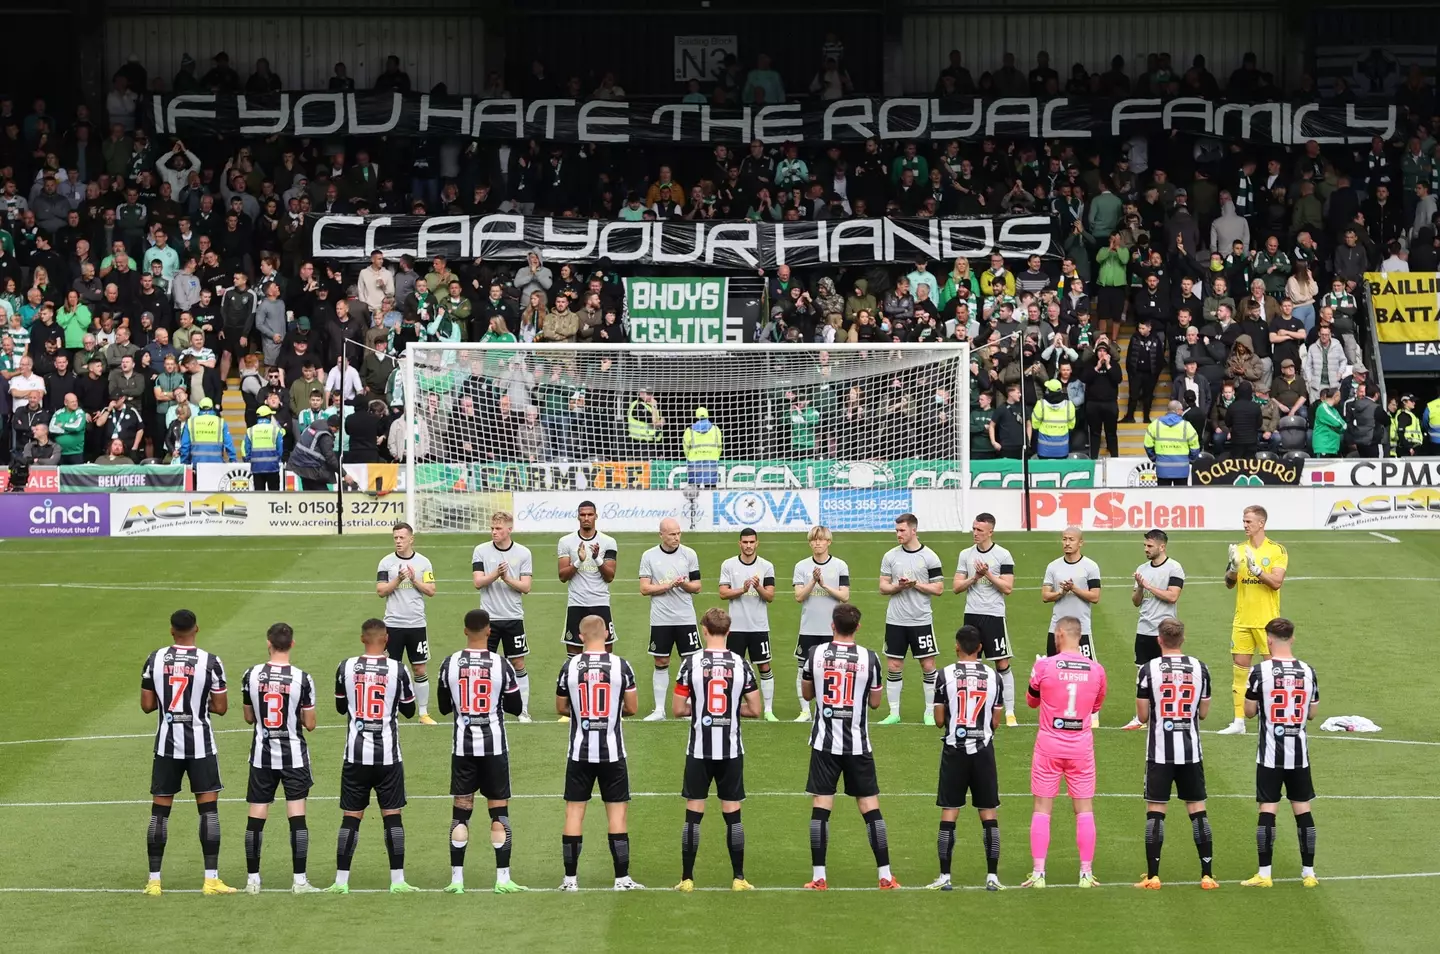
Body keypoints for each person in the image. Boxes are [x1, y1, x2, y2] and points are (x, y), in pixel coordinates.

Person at [801, 604, 896, 890]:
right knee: (870, 808)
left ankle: (819, 877)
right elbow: (876, 703)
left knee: (821, 807)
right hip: (857, 744)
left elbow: (807, 693)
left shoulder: (815, 654)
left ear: (832, 625)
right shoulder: (870, 658)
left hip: (824, 743)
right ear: (857, 628)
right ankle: (885, 875)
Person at [436, 608, 527, 895]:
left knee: (461, 814)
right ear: (489, 631)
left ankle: (457, 880)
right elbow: (514, 707)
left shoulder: (449, 663)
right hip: (494, 748)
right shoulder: (501, 665)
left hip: (462, 748)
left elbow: (441, 706)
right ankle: (502, 879)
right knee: (498, 813)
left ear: (465, 630)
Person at [672, 607, 762, 892]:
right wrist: (733, 711)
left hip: (699, 750)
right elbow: (756, 709)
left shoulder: (690, 663)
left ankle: (687, 879)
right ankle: (738, 878)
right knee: (733, 814)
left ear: (704, 630)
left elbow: (676, 709)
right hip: (731, 750)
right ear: (729, 632)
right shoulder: (741, 663)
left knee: (693, 814)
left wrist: (700, 710)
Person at [327, 618, 417, 894]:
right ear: (386, 638)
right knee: (392, 816)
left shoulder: (345, 667)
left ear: (362, 638)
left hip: (355, 755)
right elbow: (410, 711)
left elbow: (341, 707)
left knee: (351, 816)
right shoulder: (398, 669)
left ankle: (341, 881)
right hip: (388, 756)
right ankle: (398, 880)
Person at [555, 614, 642, 891]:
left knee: (573, 813)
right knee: (617, 815)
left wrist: (584, 713)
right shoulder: (621, 666)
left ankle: (570, 880)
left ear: (580, 637)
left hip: (579, 752)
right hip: (612, 753)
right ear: (607, 634)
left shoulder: (569, 667)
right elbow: (632, 707)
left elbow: (561, 706)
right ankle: (622, 879)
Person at [1022, 617, 1107, 889]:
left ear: (1060, 634)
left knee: (1042, 808)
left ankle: (1039, 873)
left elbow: (1031, 702)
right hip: (1081, 746)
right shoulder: (1096, 670)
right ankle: (1085, 873)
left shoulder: (1044, 665)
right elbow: (1095, 707)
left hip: (1049, 744)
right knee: (1083, 810)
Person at [1133, 619, 1217, 890]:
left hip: (1159, 752)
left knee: (1156, 812)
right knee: (1197, 810)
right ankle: (1207, 875)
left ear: (1159, 640)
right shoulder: (1200, 668)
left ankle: (1153, 876)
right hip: (1191, 751)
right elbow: (1203, 713)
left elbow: (1143, 716)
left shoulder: (1148, 670)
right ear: (1183, 639)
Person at [239, 622, 321, 894]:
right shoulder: (302, 678)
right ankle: (299, 881)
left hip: (262, 756)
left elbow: (249, 716)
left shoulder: (251, 675)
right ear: (292, 644)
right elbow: (310, 723)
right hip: (293, 757)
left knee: (256, 815)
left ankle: (253, 881)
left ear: (268, 643)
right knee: (296, 815)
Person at [1241, 617, 1320, 888]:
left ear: (1269, 639)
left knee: (1268, 809)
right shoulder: (1308, 671)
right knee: (1303, 809)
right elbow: (1311, 713)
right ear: (1292, 638)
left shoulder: (1260, 671)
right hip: (1299, 754)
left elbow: (1249, 712)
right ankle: (1309, 873)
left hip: (1270, 754)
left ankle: (1264, 874)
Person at [927, 624, 1005, 892]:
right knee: (988, 813)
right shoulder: (995, 677)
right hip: (983, 751)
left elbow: (938, 720)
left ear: (956, 646)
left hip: (954, 751)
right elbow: (996, 720)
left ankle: (945, 876)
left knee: (950, 812)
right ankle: (992, 876)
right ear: (981, 648)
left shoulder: (944, 674)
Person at [1218, 505, 1287, 736]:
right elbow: (1229, 584)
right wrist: (1233, 569)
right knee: (1239, 671)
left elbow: (1276, 582)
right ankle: (1238, 721)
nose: (1245, 525)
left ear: (1261, 523)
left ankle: (1272, 718)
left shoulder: (1277, 550)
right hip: (1243, 620)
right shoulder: (1238, 549)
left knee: (1273, 672)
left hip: (1268, 622)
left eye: (1249, 521)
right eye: (1243, 521)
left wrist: (1258, 571)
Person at [877, 513, 945, 725]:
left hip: (921, 620)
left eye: (902, 530)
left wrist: (915, 584)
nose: (898, 534)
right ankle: (894, 713)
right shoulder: (890, 556)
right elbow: (883, 587)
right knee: (894, 665)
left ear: (913, 530)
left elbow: (939, 588)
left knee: (927, 665)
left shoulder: (930, 557)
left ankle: (928, 713)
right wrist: (899, 586)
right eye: (897, 530)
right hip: (896, 620)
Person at [952, 512, 1017, 727]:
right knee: (971, 664)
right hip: (972, 615)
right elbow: (956, 587)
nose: (975, 533)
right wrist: (976, 577)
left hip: (994, 615)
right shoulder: (965, 555)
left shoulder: (1003, 555)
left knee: (1002, 663)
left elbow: (1008, 588)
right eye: (974, 529)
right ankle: (972, 707)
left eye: (980, 530)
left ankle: (1009, 712)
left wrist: (988, 575)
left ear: (991, 531)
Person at [471, 511, 534, 721]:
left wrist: (506, 578)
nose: (494, 532)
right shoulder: (480, 550)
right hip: (488, 620)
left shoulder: (523, 553)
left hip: (513, 617)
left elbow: (526, 587)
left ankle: (522, 710)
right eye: (492, 528)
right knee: (484, 665)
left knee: (518, 663)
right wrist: (496, 575)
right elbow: (478, 582)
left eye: (498, 529)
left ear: (509, 529)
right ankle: (485, 708)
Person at [637, 518, 702, 721]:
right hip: (661, 619)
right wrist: (668, 586)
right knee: (661, 660)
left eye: (678, 533)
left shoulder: (689, 554)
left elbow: (697, 586)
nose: (676, 537)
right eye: (672, 534)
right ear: (661, 535)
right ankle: (659, 710)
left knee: (690, 662)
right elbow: (644, 588)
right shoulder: (649, 556)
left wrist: (682, 585)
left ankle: (689, 707)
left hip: (685, 618)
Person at [1122, 530, 1187, 731]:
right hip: (1144, 630)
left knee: (1166, 674)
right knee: (1142, 674)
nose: (1146, 549)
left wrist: (1148, 585)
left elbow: (1173, 596)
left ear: (1162, 547)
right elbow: (1135, 602)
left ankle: (1168, 713)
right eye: (1145, 546)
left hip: (1165, 631)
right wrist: (1141, 588)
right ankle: (1141, 718)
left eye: (1149, 546)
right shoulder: (1142, 569)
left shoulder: (1174, 568)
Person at [376, 522, 438, 725]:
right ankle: (390, 713)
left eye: (402, 538)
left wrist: (413, 579)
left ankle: (423, 713)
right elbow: (381, 591)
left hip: (416, 624)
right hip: (392, 624)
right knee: (391, 670)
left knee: (419, 668)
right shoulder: (386, 563)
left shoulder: (424, 562)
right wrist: (397, 580)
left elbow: (431, 591)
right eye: (395, 538)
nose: (398, 541)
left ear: (411, 539)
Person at [718, 528, 778, 721]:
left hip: (759, 627)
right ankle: (731, 705)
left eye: (752, 542)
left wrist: (757, 586)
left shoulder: (766, 566)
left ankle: (768, 710)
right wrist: (742, 589)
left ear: (757, 543)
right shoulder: (728, 564)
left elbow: (769, 596)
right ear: (740, 543)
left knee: (764, 667)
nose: (749, 546)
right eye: (745, 542)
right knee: (732, 667)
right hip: (735, 628)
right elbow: (723, 593)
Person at [791, 525, 850, 722]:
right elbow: (799, 596)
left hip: (831, 628)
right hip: (808, 628)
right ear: (810, 543)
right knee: (803, 669)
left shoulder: (840, 565)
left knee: (832, 669)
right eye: (814, 540)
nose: (817, 543)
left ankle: (827, 707)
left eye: (821, 539)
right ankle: (805, 711)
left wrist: (824, 585)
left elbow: (844, 596)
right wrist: (813, 582)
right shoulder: (801, 566)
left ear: (828, 542)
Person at [558, 501, 619, 658]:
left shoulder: (608, 542)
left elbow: (610, 576)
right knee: (573, 654)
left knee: (606, 652)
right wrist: (579, 561)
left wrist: (597, 558)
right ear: (578, 516)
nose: (586, 518)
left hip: (600, 603)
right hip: (576, 604)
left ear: (596, 516)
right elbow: (562, 576)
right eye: (583, 514)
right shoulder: (566, 541)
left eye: (590, 514)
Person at [1041, 526, 1104, 673]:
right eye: (1064, 539)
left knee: (1087, 672)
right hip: (1057, 629)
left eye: (1071, 539)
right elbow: (1045, 596)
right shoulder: (1053, 566)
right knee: (1054, 672)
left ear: (1080, 543)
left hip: (1081, 630)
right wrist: (1061, 593)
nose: (1067, 543)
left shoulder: (1091, 567)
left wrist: (1074, 589)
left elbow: (1095, 596)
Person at [1144, 400, 1200, 485]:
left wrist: (1155, 459)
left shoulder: (1155, 424)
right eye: (1181, 409)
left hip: (1162, 469)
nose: (1182, 411)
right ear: (1177, 410)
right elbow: (1195, 447)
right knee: (1181, 497)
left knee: (1163, 497)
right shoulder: (1186, 425)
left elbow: (1148, 445)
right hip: (1182, 469)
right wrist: (1190, 460)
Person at [286, 415, 340, 490]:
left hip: (300, 464)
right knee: (323, 497)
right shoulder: (325, 436)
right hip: (311, 467)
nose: (337, 431)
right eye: (337, 429)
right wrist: (344, 474)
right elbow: (330, 458)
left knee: (308, 494)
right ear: (332, 426)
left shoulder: (315, 426)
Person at [178, 396, 236, 464]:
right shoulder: (221, 422)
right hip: (217, 464)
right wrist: (233, 460)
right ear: (212, 408)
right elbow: (229, 444)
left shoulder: (191, 422)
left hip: (197, 464)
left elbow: (185, 446)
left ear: (199, 408)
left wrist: (185, 463)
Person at [242, 405, 283, 490]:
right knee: (274, 496)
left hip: (257, 468)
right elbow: (280, 450)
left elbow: (247, 450)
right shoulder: (275, 430)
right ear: (268, 416)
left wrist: (249, 459)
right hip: (272, 468)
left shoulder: (250, 430)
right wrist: (277, 460)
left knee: (259, 497)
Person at [681, 406, 722, 487]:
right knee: (711, 486)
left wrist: (689, 456)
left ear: (696, 416)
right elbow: (719, 446)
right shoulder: (716, 429)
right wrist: (715, 455)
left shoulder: (689, 430)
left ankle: (693, 500)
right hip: (711, 460)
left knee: (694, 486)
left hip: (694, 460)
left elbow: (685, 448)